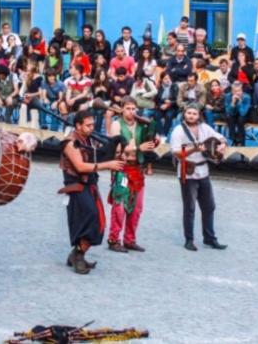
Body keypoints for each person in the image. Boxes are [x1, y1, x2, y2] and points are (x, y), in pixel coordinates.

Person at [59, 110, 124, 274]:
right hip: (76, 186)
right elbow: (80, 166)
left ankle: (76, 255)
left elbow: (98, 157)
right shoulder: (70, 143)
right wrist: (107, 165)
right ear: (78, 125)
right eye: (87, 125)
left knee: (97, 220)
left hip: (90, 185)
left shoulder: (89, 140)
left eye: (93, 125)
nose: (91, 128)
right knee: (88, 219)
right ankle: (78, 256)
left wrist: (116, 145)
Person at [170, 104, 227, 251]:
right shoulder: (178, 131)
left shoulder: (204, 128)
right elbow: (176, 153)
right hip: (187, 170)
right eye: (189, 113)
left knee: (209, 206)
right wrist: (194, 148)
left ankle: (209, 238)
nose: (191, 116)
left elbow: (220, 137)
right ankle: (189, 240)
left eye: (194, 113)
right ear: (184, 114)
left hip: (203, 170)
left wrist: (222, 145)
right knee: (189, 208)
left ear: (198, 115)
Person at [106, 97, 156, 253]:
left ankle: (129, 240)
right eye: (128, 108)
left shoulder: (141, 125)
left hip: (138, 169)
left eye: (134, 109)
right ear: (122, 109)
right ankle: (114, 239)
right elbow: (116, 149)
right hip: (122, 168)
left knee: (136, 208)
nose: (131, 111)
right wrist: (138, 148)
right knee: (120, 207)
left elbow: (150, 144)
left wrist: (154, 140)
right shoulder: (116, 124)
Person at [225, 81, 251, 146]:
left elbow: (243, 113)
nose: (237, 93)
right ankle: (233, 138)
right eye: (235, 91)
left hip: (243, 116)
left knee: (240, 119)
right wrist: (233, 103)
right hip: (232, 115)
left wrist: (239, 103)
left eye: (239, 91)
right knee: (229, 117)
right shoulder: (228, 96)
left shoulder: (246, 97)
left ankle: (240, 141)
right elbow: (228, 112)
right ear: (232, 91)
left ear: (242, 90)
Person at [154, 72, 178, 138]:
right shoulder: (159, 87)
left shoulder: (174, 86)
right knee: (156, 115)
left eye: (169, 78)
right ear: (162, 79)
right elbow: (157, 100)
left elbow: (177, 100)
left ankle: (165, 135)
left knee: (168, 116)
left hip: (172, 107)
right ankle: (162, 134)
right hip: (162, 106)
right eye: (165, 78)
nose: (168, 80)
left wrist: (169, 104)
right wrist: (160, 105)